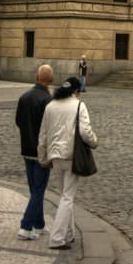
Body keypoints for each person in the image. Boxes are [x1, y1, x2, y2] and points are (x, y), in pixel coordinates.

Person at [38, 76, 97, 250]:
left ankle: (69, 233)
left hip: (55, 156)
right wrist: (95, 142)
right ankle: (57, 238)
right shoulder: (79, 105)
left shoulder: (50, 106)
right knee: (67, 197)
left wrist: (42, 157)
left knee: (64, 194)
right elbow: (85, 131)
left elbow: (43, 135)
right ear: (76, 91)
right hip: (71, 156)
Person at [15, 64, 55, 240]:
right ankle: (26, 226)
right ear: (51, 80)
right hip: (40, 151)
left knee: (35, 189)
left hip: (26, 148)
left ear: (36, 77)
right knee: (39, 189)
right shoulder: (48, 100)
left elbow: (18, 121)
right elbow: (50, 128)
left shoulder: (24, 97)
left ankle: (39, 224)